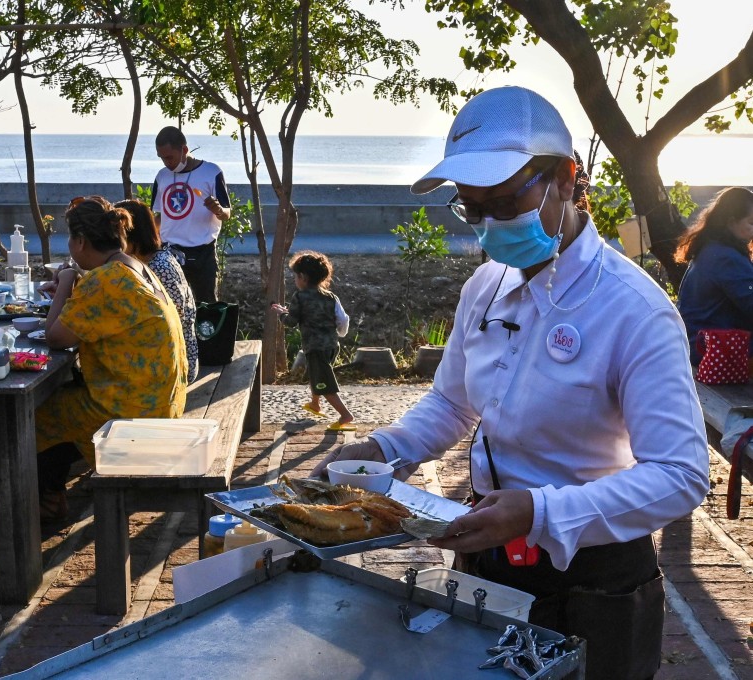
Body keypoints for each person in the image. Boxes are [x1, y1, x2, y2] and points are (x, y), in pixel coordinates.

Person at [311, 86, 709, 679]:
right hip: (491, 557)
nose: (490, 226)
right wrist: (386, 449)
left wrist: (538, 513)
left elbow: (680, 476)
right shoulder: (487, 286)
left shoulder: (634, 310)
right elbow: (453, 401)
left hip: (594, 577)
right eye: (473, 209)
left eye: (504, 203)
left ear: (567, 180)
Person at [35, 196, 189, 520]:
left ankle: (44, 501)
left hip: (134, 417)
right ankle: (52, 494)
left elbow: (55, 336)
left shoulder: (105, 280)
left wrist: (65, 281)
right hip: (162, 405)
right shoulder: (135, 268)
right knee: (63, 405)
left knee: (38, 415)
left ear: (79, 241)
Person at [116, 198, 200, 384]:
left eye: (118, 235)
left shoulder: (160, 267)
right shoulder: (151, 260)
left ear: (132, 235)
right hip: (169, 358)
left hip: (177, 365)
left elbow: (169, 322)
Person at [271, 251, 354, 431]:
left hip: (315, 347)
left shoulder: (299, 297)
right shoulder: (331, 297)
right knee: (316, 374)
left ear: (303, 277)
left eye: (295, 276)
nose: (295, 280)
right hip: (332, 345)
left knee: (325, 384)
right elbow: (343, 319)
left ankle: (345, 415)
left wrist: (282, 314)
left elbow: (291, 322)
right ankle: (315, 404)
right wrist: (339, 334)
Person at [151, 126, 231, 303]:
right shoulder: (162, 176)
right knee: (170, 305)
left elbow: (226, 213)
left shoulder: (211, 172)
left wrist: (218, 210)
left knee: (207, 306)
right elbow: (160, 216)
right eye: (162, 158)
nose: (166, 162)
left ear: (184, 150)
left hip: (203, 253)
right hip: (169, 252)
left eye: (169, 157)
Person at [674, 187, 753, 362]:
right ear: (731, 222)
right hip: (712, 349)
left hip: (698, 343)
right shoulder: (726, 257)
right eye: (751, 223)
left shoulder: (711, 249)